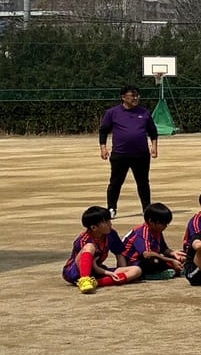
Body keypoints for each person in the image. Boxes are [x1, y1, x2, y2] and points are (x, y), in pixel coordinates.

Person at [97, 86, 160, 218]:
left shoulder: (144, 113)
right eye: (132, 95)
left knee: (143, 182)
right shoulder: (113, 112)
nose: (136, 98)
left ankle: (146, 208)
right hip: (120, 154)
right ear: (123, 97)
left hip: (141, 154)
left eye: (137, 95)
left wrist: (154, 146)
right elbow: (103, 130)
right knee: (115, 182)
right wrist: (103, 147)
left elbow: (152, 131)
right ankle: (111, 208)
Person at [64, 207, 136, 292]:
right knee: (89, 247)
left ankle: (96, 283)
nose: (110, 224)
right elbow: (92, 265)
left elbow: (119, 253)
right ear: (94, 227)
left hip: (98, 269)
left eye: (109, 220)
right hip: (76, 271)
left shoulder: (111, 234)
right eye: (105, 222)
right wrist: (108, 273)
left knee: (135, 270)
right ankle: (85, 280)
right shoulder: (84, 240)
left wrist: (122, 271)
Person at [122, 203, 182, 281]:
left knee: (181, 255)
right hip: (135, 262)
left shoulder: (157, 231)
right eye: (162, 224)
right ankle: (149, 275)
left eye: (166, 224)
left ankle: (175, 267)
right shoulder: (142, 232)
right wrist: (171, 260)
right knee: (154, 261)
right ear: (151, 221)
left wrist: (174, 253)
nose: (165, 226)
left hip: (149, 258)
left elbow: (163, 249)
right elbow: (147, 254)